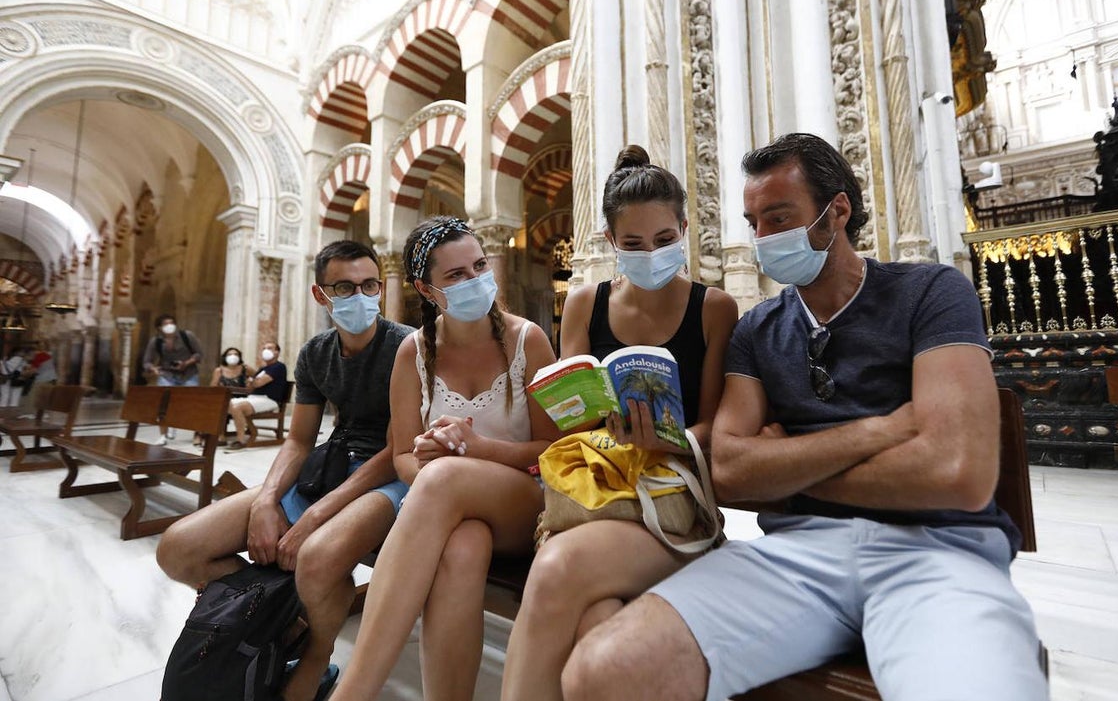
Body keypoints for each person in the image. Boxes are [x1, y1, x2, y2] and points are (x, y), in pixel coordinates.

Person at [560, 133, 1048, 701]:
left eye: (779, 217)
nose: (764, 238)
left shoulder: (931, 292)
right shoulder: (758, 329)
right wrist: (882, 430)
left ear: (836, 210)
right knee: (602, 671)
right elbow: (733, 472)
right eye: (754, 223)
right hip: (797, 555)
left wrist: (788, 464)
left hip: (938, 552)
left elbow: (956, 475)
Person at [499, 145, 738, 701]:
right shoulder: (584, 303)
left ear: (683, 230)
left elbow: (713, 428)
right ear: (611, 242)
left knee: (558, 570)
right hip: (593, 493)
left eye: (662, 241)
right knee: (596, 624)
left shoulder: (715, 308)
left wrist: (669, 436)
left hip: (674, 501)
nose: (649, 254)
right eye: (632, 244)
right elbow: (569, 420)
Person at [156, 240, 414, 701]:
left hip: (388, 473)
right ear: (321, 295)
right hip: (329, 466)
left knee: (316, 561)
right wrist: (267, 500)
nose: (361, 296)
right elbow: (298, 440)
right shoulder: (316, 353)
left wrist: (312, 519)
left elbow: (395, 450)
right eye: (345, 287)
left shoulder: (405, 346)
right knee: (179, 549)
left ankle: (316, 661)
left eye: (370, 284)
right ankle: (280, 617)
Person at [328, 216, 562, 701]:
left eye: (479, 266)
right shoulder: (413, 352)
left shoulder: (527, 340)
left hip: (526, 503)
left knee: (444, 477)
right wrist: (434, 466)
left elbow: (552, 452)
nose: (475, 280)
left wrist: (472, 453)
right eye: (455, 275)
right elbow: (402, 457)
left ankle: (351, 692)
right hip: (456, 510)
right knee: (462, 548)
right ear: (426, 288)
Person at [143, 314, 204, 443]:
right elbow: (147, 362)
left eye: (171, 323)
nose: (169, 326)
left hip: (189, 374)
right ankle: (163, 435)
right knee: (163, 404)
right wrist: (154, 369)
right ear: (159, 327)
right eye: (165, 324)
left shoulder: (186, 336)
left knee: (193, 404)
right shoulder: (156, 341)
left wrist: (186, 363)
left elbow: (199, 354)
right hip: (167, 375)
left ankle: (197, 434)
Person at [225, 341, 290, 449]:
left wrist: (253, 379)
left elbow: (258, 383)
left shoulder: (279, 367)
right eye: (264, 348)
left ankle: (241, 440)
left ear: (277, 352)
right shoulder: (262, 369)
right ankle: (220, 437)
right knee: (223, 403)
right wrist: (252, 380)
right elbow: (251, 386)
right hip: (254, 398)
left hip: (269, 400)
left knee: (237, 407)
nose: (266, 350)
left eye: (269, 348)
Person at [24, 342, 58, 412]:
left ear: (30, 353)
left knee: (33, 396)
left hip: (43, 380)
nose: (28, 358)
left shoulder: (37, 357)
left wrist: (24, 373)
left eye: (27, 356)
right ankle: (44, 413)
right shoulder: (44, 355)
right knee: (44, 397)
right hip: (51, 379)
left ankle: (30, 413)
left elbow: (33, 371)